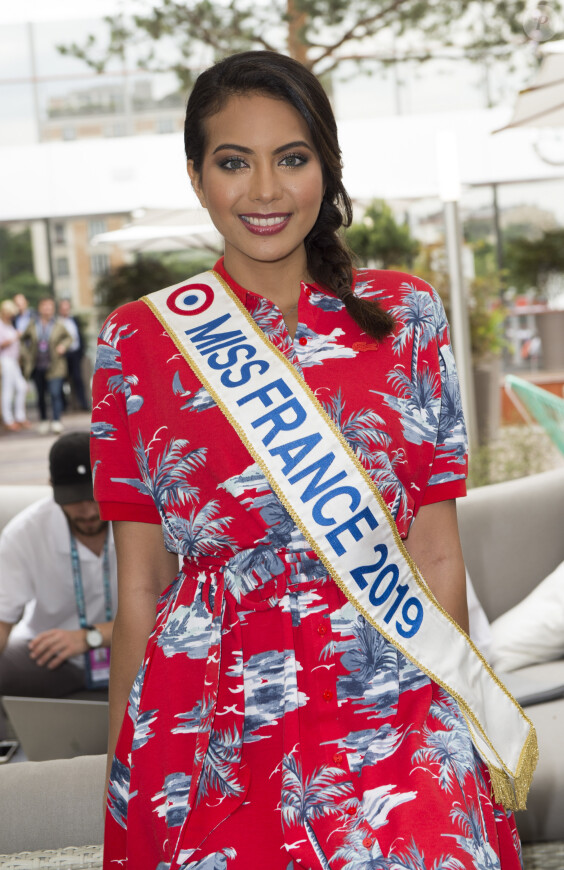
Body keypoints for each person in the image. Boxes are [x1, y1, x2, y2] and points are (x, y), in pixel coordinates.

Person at [91, 51, 529, 870]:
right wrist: (125, 770)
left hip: (390, 690)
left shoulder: (405, 316)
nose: (264, 192)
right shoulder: (138, 341)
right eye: (233, 162)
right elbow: (142, 584)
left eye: (291, 159)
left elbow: (435, 548)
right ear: (196, 177)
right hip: (209, 714)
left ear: (325, 170)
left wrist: (460, 717)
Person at [0, 431, 117, 744]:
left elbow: (169, 617)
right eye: (72, 498)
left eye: (92, 495)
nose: (85, 510)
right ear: (52, 488)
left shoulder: (145, 523)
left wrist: (89, 637)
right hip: (54, 658)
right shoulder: (24, 532)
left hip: (136, 654)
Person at [20, 297, 72, 434]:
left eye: (50, 307)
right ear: (40, 308)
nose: (47, 309)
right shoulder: (32, 324)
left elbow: (69, 338)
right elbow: (22, 339)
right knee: (41, 395)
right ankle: (43, 420)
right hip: (37, 365)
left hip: (55, 366)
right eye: (45, 306)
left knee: (55, 393)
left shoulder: (58, 325)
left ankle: (56, 420)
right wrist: (26, 354)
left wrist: (63, 346)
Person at [0, 299, 29, 432]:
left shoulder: (9, 324)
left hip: (13, 360)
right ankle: (7, 419)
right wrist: (15, 336)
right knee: (7, 389)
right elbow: (0, 343)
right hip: (5, 359)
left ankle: (20, 416)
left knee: (22, 387)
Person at [58, 298, 90, 412]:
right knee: (61, 380)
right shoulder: (57, 322)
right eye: (63, 308)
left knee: (78, 378)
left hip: (76, 354)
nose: (66, 310)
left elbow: (80, 336)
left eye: (67, 308)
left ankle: (83, 404)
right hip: (62, 355)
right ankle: (63, 406)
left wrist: (81, 351)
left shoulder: (74, 320)